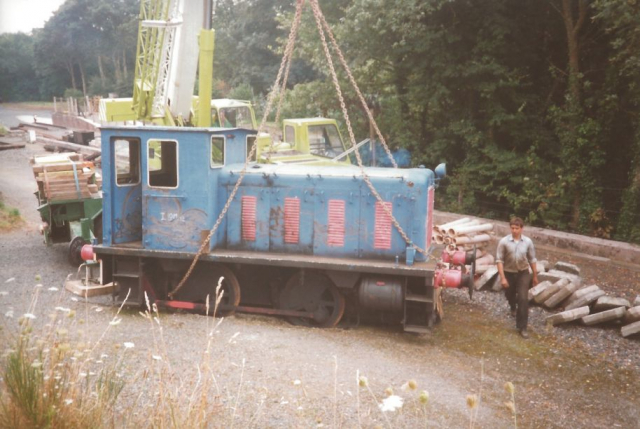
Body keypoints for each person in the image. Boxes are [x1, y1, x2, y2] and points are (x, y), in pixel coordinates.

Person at [496, 217, 538, 338]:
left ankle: (522, 327)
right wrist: (503, 278)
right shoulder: (504, 242)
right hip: (508, 272)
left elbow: (532, 259)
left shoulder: (528, 242)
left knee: (523, 298)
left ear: (521, 229)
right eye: (512, 228)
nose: (514, 230)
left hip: (523, 273)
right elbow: (499, 260)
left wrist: (534, 275)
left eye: (517, 228)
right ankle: (512, 306)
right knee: (509, 293)